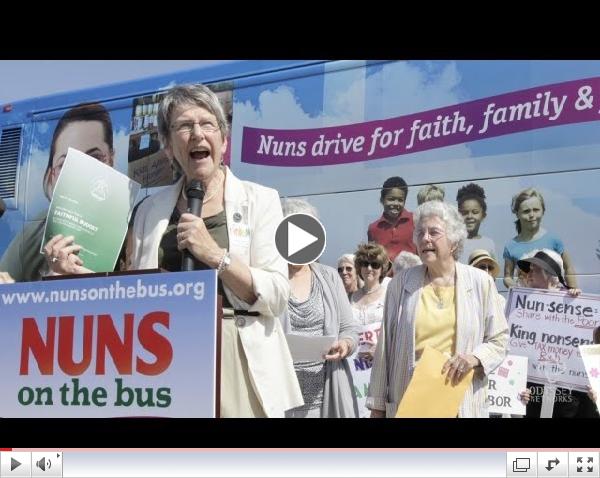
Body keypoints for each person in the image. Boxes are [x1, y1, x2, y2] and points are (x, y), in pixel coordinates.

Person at [126, 84, 302, 418]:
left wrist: (215, 255)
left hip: (237, 354)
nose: (196, 134)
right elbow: (133, 293)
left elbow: (277, 294)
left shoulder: (261, 200)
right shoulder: (149, 210)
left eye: (207, 124)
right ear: (167, 145)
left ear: (223, 139)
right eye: (183, 125)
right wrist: (78, 277)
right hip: (165, 356)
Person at [367, 200, 508, 418]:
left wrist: (474, 358)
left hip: (460, 402)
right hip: (410, 401)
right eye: (420, 233)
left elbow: (499, 340)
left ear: (453, 241)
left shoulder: (480, 282)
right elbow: (385, 349)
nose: (425, 239)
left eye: (434, 232)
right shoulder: (401, 283)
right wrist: (377, 408)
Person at [0, 103, 115, 281]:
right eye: (66, 163)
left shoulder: (138, 224)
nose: (81, 172)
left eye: (94, 158)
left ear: (112, 160)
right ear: (52, 174)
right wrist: (52, 275)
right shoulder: (32, 235)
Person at [281, 198, 359, 418]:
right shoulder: (270, 277)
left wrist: (344, 344)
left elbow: (349, 329)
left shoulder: (330, 277)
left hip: (325, 395)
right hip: (280, 398)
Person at [516, 249, 598, 418]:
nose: (528, 274)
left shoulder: (573, 303)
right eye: (528, 269)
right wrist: (516, 385)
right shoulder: (521, 308)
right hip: (534, 388)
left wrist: (577, 302)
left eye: (534, 269)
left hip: (569, 393)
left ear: (551, 274)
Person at [503, 188, 577, 289]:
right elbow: (507, 277)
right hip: (526, 302)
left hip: (554, 300)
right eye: (526, 211)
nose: (532, 215)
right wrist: (518, 289)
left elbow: (568, 267)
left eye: (536, 210)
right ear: (517, 214)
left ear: (543, 211)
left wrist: (573, 290)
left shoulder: (554, 240)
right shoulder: (510, 246)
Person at [350, 242, 390, 362]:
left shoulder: (390, 296)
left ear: (382, 268)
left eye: (375, 265)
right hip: (354, 365)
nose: (369, 268)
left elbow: (396, 331)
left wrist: (380, 349)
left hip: (382, 361)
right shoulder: (349, 298)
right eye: (365, 264)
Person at [367, 176, 416, 263]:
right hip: (385, 276)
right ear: (382, 200)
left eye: (400, 200)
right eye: (391, 199)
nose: (396, 203)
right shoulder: (373, 228)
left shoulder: (415, 220)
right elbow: (372, 260)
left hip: (413, 275)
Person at [456, 183, 496, 264]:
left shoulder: (489, 244)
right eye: (465, 213)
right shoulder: (453, 242)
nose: (470, 216)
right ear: (458, 215)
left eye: (475, 212)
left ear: (483, 215)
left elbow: (492, 272)